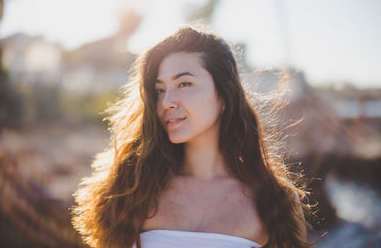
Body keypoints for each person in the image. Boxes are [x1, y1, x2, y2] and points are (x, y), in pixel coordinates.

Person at [71, 25, 313, 248]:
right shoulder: (131, 189)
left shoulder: (276, 200)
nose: (166, 102)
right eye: (160, 90)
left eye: (184, 84)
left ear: (224, 94)